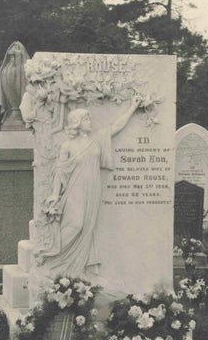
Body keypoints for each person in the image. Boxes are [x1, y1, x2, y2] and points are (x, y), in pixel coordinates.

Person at [36, 95, 141, 277]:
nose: (89, 121)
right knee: (75, 224)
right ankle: (51, 253)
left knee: (87, 228)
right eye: (85, 119)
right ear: (76, 123)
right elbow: (60, 171)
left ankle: (74, 271)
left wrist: (132, 107)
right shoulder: (67, 145)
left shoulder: (97, 139)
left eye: (89, 118)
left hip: (93, 188)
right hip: (75, 190)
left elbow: (116, 127)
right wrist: (54, 193)